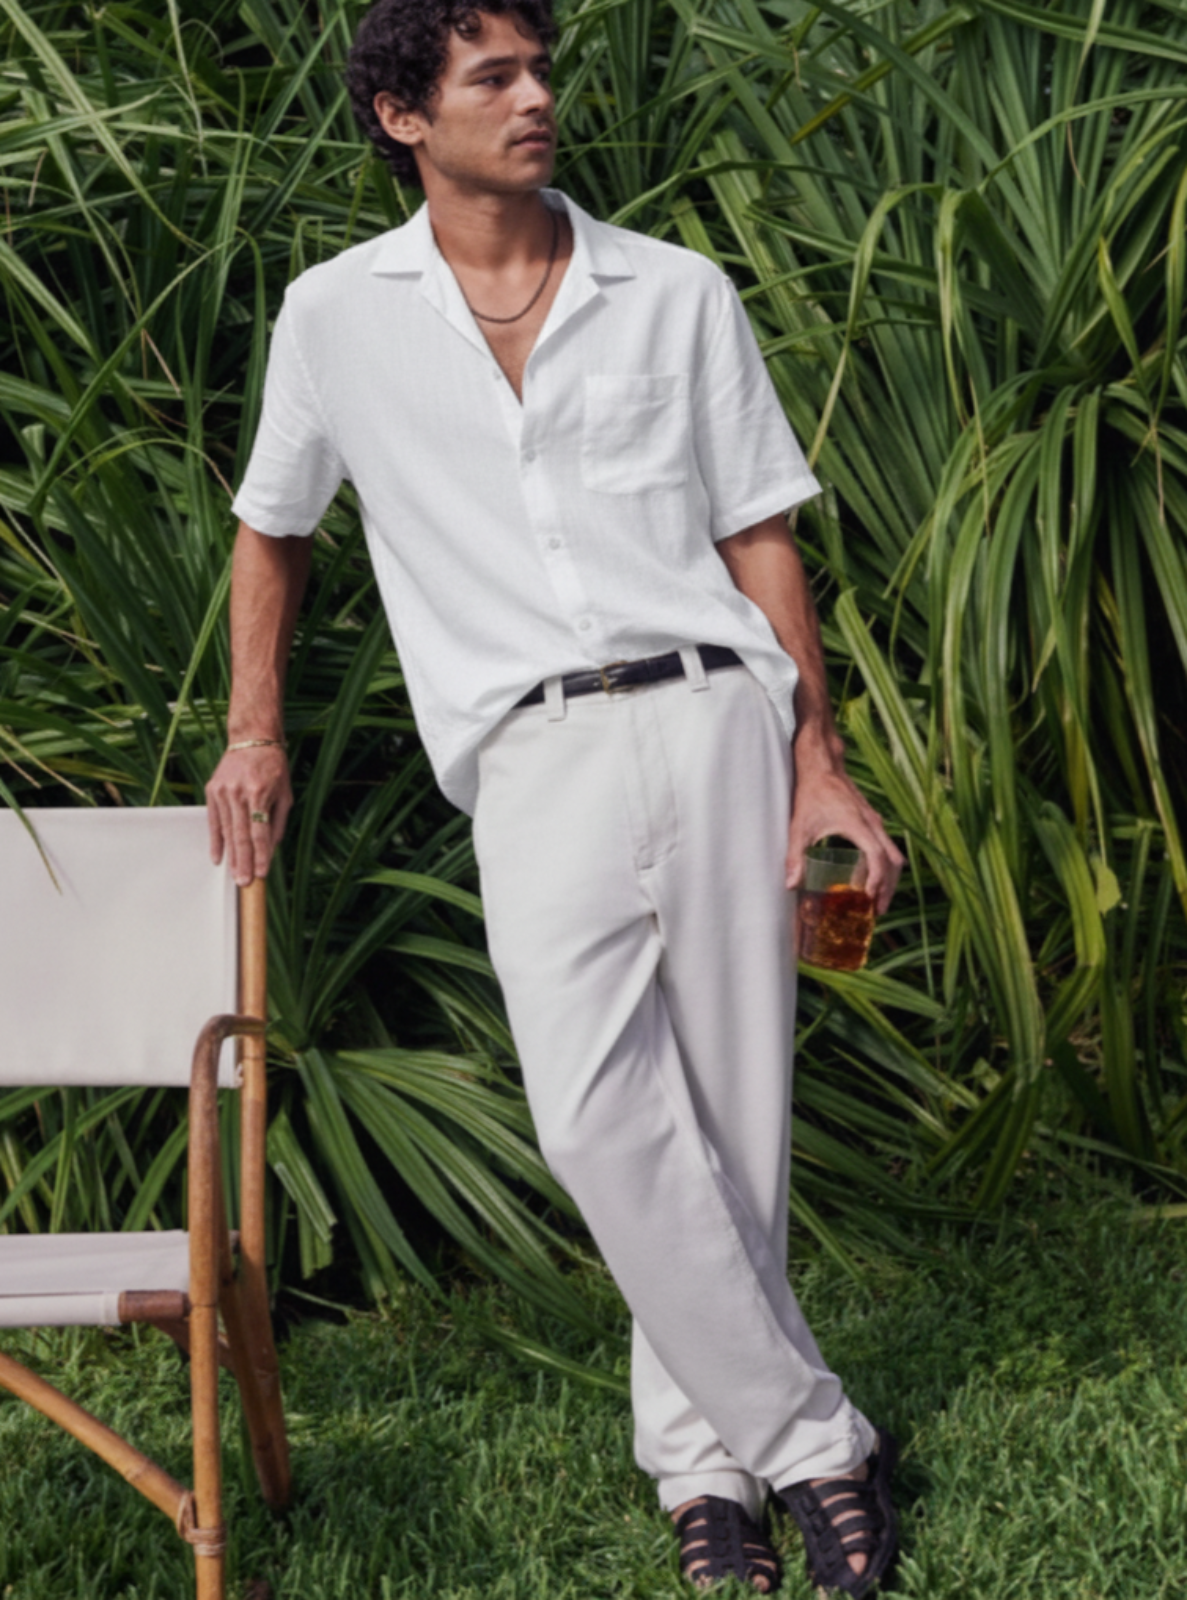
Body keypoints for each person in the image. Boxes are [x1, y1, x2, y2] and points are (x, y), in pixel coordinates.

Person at [206, 1, 906, 1592]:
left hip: (717, 717)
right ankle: (817, 1440)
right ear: (404, 118)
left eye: (538, 71)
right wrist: (257, 733)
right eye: (492, 79)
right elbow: (272, 526)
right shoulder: (335, 316)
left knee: (732, 1119)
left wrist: (815, 757)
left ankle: (702, 1479)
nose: (536, 100)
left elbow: (759, 533)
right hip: (524, 747)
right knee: (596, 1116)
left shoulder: (673, 290)